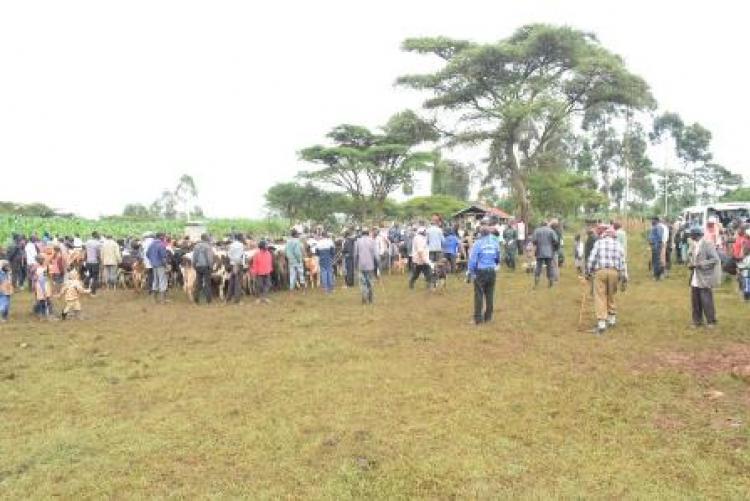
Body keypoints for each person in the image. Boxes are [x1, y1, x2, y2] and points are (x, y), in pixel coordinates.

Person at [586, 227, 626, 335]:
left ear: (604, 235)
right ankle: (612, 319)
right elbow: (623, 262)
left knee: (600, 296)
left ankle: (602, 324)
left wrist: (588, 271)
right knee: (611, 294)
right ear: (614, 236)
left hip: (601, 271)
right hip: (614, 272)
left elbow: (591, 258)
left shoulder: (599, 243)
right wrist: (624, 277)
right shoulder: (618, 245)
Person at [687, 226, 721, 328]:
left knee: (706, 300)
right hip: (695, 277)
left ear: (696, 235)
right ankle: (697, 321)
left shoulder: (707, 244)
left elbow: (715, 259)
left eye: (691, 234)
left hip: (705, 277)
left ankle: (711, 321)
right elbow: (693, 258)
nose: (690, 236)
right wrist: (691, 264)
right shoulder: (693, 245)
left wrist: (700, 264)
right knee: (695, 300)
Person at [468, 223, 501, 325]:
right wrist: (494, 264)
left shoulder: (478, 243)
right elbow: (498, 257)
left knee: (479, 295)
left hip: (481, 272)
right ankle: (488, 317)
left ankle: (478, 319)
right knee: (490, 295)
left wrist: (471, 271)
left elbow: (473, 260)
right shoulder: (495, 243)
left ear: (480, 234)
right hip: (491, 271)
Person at [353, 228, 379, 304]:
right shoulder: (372, 241)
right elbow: (376, 255)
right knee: (370, 282)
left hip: (361, 265)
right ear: (368, 233)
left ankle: (364, 297)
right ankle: (370, 299)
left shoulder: (357, 241)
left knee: (362, 282)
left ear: (362, 233)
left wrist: (355, 265)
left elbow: (355, 255)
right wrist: (378, 265)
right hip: (370, 265)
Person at [531, 220, 558, 288]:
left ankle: (536, 281)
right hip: (549, 252)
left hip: (539, 251)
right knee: (549, 267)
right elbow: (555, 240)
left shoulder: (537, 230)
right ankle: (550, 282)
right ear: (546, 224)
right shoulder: (551, 231)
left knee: (538, 267)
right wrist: (553, 247)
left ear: (541, 224)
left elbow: (534, 241)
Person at [146, 233, 168, 303]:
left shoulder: (151, 245)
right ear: (161, 237)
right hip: (160, 265)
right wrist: (166, 265)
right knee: (162, 281)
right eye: (164, 236)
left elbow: (147, 254)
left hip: (153, 265)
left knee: (155, 280)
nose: (164, 238)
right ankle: (162, 300)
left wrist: (152, 260)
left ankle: (154, 299)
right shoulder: (161, 245)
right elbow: (163, 257)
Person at [192, 233, 214, 304]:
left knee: (198, 283)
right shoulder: (208, 246)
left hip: (198, 266)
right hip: (206, 266)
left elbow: (194, 257)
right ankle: (208, 300)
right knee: (207, 283)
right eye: (208, 237)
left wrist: (194, 265)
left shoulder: (196, 246)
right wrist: (211, 266)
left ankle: (196, 299)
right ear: (206, 238)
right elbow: (209, 258)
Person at [227, 234, 245, 304]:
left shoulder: (231, 245)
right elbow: (241, 255)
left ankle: (228, 299)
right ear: (240, 238)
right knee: (238, 283)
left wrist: (233, 262)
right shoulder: (241, 245)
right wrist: (238, 264)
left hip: (232, 264)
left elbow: (229, 255)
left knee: (232, 282)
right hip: (238, 264)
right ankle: (237, 300)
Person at [32, 255, 53, 319]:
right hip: (40, 285)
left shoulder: (45, 267)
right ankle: (42, 313)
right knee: (42, 299)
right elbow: (35, 277)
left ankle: (47, 312)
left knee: (45, 299)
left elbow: (47, 275)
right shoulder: (36, 267)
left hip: (43, 284)